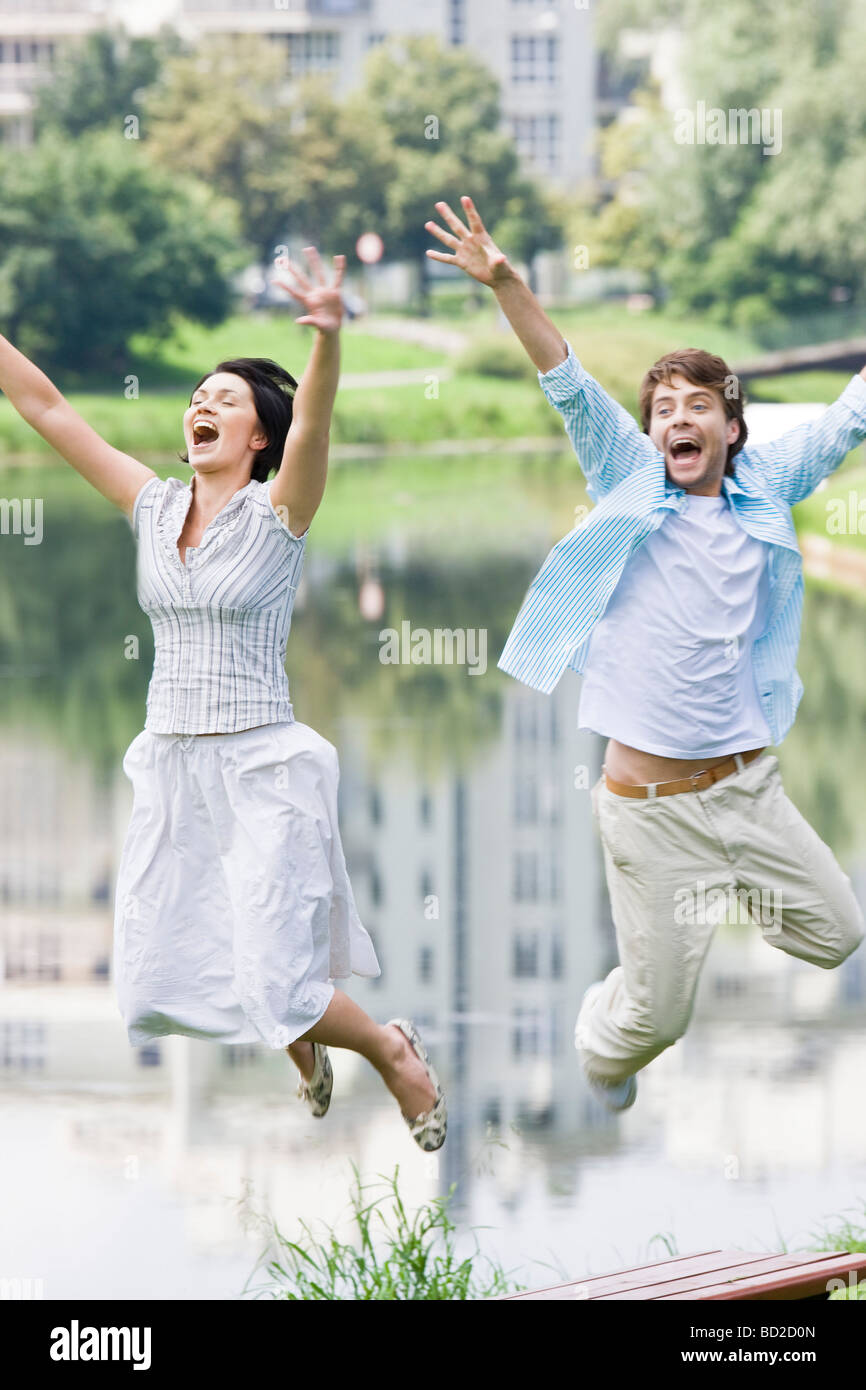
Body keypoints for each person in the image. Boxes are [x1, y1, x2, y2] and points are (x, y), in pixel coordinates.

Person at [426, 195, 866, 1111]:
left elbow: (845, 420)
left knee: (837, 933)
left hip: (748, 791)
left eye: (697, 405)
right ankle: (600, 1038)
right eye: (663, 407)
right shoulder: (627, 477)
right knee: (655, 1020)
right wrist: (508, 283)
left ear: (731, 429)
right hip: (650, 810)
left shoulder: (768, 487)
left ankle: (721, 892)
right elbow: (565, 377)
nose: (678, 418)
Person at [0, 246, 445, 1152]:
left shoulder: (280, 515)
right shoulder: (152, 508)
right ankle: (302, 1043)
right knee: (173, 969)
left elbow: (316, 425)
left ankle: (391, 1052)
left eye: (226, 400)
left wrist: (327, 336)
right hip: (173, 763)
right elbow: (47, 409)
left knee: (275, 967)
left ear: (258, 440)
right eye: (197, 396)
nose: (202, 405)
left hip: (259, 762)